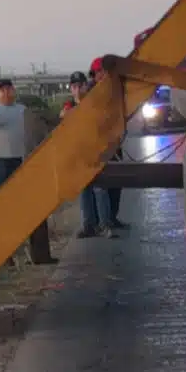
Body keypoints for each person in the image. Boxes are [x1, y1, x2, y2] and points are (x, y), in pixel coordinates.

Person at [63, 70, 113, 238]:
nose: (78, 90)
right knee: (84, 191)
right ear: (71, 89)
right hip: (79, 154)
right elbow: (64, 116)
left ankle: (105, 224)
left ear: (86, 86)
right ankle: (89, 225)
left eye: (80, 86)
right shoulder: (69, 106)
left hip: (95, 152)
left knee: (100, 189)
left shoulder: (94, 104)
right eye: (74, 87)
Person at [89, 58, 130, 231]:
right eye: (98, 73)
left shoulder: (115, 91)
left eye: (103, 72)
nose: (101, 75)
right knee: (102, 184)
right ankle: (104, 222)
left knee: (116, 182)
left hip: (114, 143)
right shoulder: (91, 95)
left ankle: (112, 217)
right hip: (98, 146)